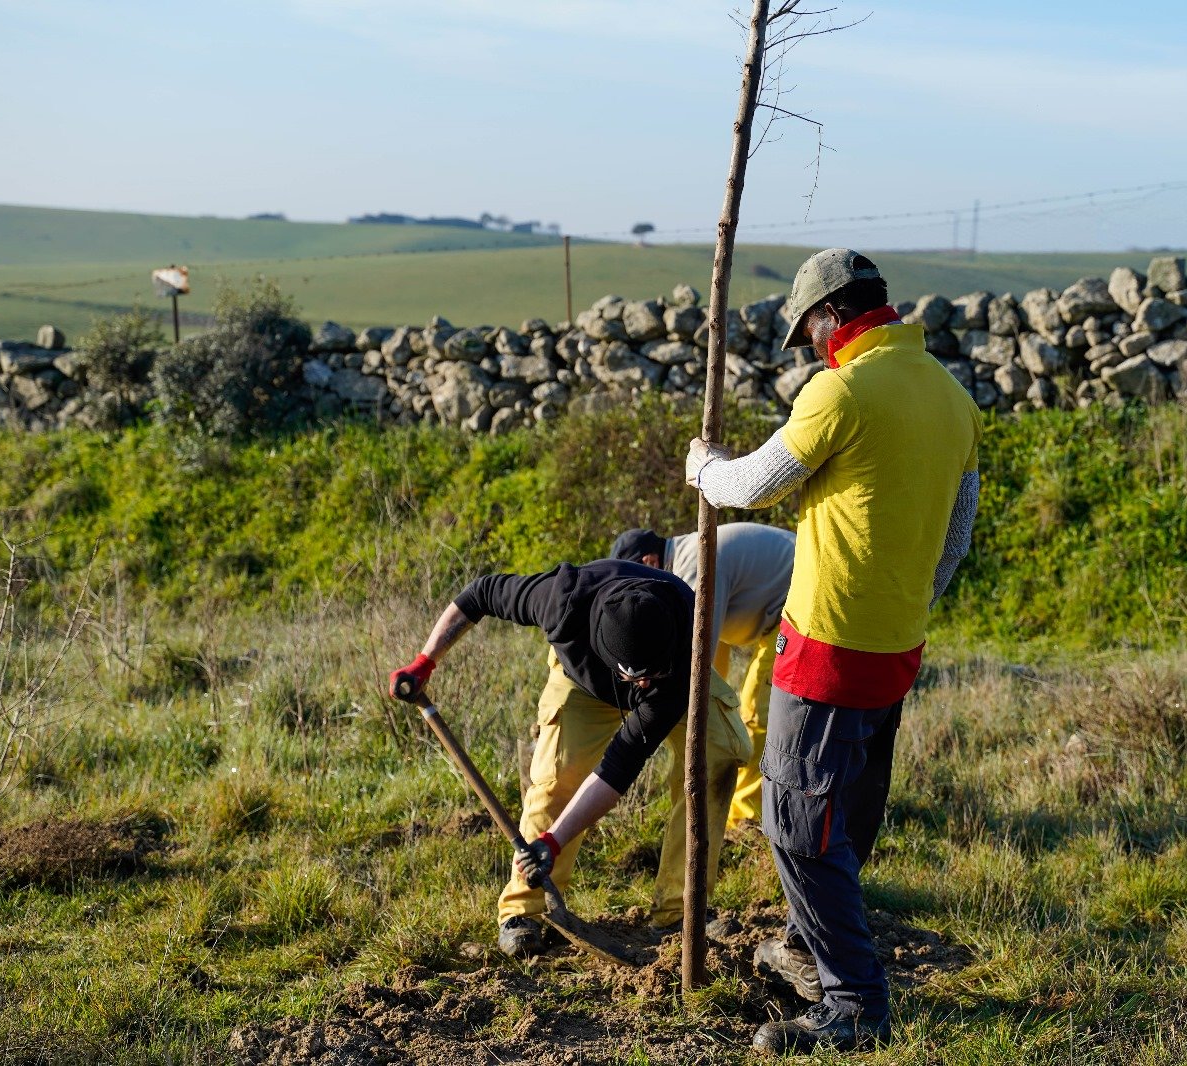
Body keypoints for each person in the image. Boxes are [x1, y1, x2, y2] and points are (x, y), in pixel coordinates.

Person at [685, 248, 981, 1054]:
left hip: (825, 646)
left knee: (794, 822)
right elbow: (956, 539)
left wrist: (704, 468)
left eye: (809, 332)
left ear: (831, 316)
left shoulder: (839, 392)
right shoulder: (954, 400)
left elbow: (752, 485)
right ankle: (803, 943)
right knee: (845, 812)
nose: (810, 349)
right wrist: (906, 604)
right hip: (897, 646)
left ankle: (853, 1002)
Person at [388, 559, 751, 958]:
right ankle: (525, 910)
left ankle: (681, 911)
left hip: (677, 683)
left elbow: (619, 767)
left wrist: (555, 839)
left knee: (716, 756)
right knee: (559, 775)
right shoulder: (561, 601)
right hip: (581, 682)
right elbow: (479, 594)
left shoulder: (686, 643)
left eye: (651, 674)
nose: (643, 684)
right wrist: (425, 661)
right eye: (635, 677)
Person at [609, 522, 796, 827]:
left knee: (755, 710)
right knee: (707, 704)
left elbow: (697, 649)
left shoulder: (694, 567)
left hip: (797, 608)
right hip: (771, 611)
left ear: (649, 562)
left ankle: (747, 819)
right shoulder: (684, 560)